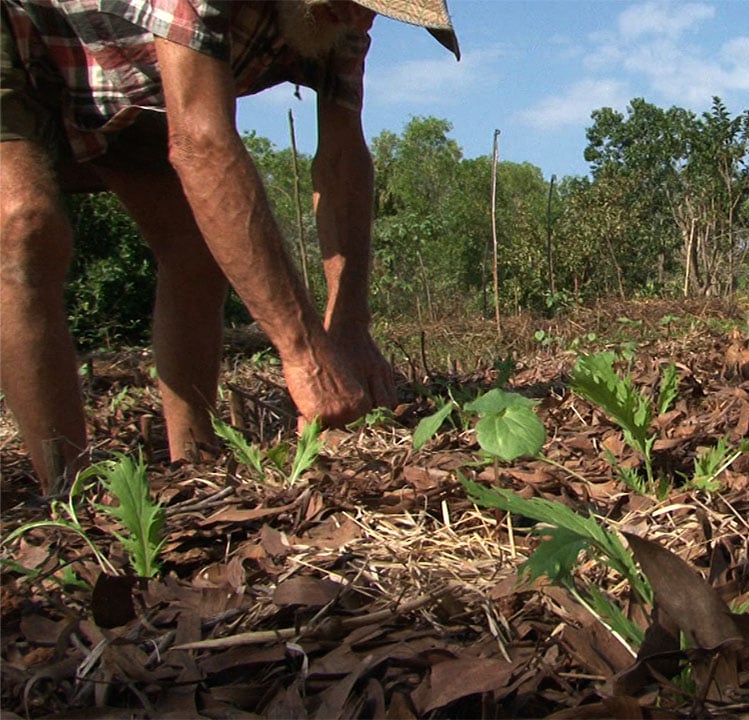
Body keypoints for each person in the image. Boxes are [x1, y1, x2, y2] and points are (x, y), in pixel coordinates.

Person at [0, 0, 460, 491]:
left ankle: (194, 471)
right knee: (25, 224)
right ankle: (70, 501)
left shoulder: (342, 21)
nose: (363, 19)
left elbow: (342, 157)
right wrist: (304, 352)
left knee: (199, 246)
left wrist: (348, 323)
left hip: (122, 70)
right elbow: (201, 142)